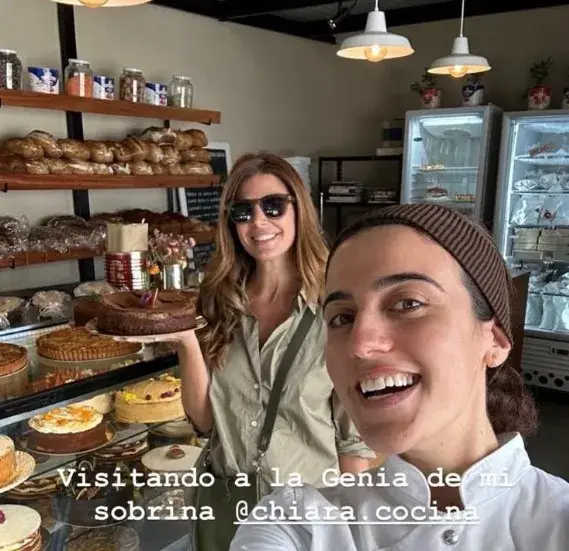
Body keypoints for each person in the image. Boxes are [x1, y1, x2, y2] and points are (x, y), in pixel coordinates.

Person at [230, 203, 569, 551]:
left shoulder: (557, 521)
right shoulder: (298, 523)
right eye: (342, 318)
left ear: (494, 340)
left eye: (408, 303)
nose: (360, 344)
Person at [172, 152, 373, 549]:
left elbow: (353, 441)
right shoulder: (221, 301)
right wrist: (184, 339)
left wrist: (354, 531)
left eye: (273, 206)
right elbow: (206, 421)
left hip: (305, 518)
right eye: (243, 211)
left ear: (299, 209)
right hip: (225, 508)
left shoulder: (335, 308)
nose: (258, 222)